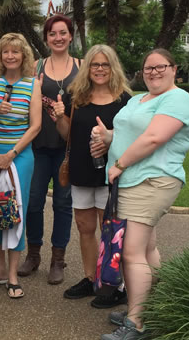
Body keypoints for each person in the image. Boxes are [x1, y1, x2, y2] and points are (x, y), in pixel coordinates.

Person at [94, 49, 189, 340]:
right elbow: (128, 134)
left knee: (131, 251)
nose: (153, 72)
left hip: (151, 180)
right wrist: (107, 136)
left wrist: (120, 164)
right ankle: (150, 309)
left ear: (174, 69)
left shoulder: (178, 99)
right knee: (147, 247)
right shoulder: (139, 99)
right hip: (133, 182)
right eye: (148, 68)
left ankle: (136, 323)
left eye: (160, 67)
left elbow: (154, 138)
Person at [51, 44, 132, 308]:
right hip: (81, 171)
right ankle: (91, 277)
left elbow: (134, 139)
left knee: (110, 230)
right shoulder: (78, 97)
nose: (99, 69)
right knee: (85, 228)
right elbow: (67, 135)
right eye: (95, 65)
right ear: (88, 68)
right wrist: (60, 118)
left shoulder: (125, 100)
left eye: (105, 64)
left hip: (111, 174)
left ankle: (114, 284)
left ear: (113, 67)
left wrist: (111, 140)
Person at [0, 33, 42, 299]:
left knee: (15, 212)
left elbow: (35, 125)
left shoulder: (32, 84)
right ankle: (0, 269)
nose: (10, 56)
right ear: (0, 55)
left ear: (24, 55)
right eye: (6, 52)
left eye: (16, 52)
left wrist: (13, 153)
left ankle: (14, 273)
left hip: (19, 155)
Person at [18, 14, 80, 284]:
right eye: (53, 33)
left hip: (67, 148)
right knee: (33, 202)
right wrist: (35, 90)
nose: (58, 38)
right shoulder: (36, 67)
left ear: (70, 36)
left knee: (64, 203)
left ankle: (58, 259)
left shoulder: (82, 66)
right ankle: (33, 254)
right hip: (39, 145)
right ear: (46, 38)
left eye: (63, 32)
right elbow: (21, 100)